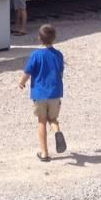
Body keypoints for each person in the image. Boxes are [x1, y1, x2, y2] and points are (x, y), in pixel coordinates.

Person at [18, 24, 66, 162]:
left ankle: (44, 153)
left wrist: (22, 83)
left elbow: (27, 72)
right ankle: (57, 131)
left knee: (41, 122)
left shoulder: (36, 55)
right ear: (55, 38)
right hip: (55, 93)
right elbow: (60, 73)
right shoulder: (58, 55)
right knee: (53, 119)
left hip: (39, 95)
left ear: (39, 38)